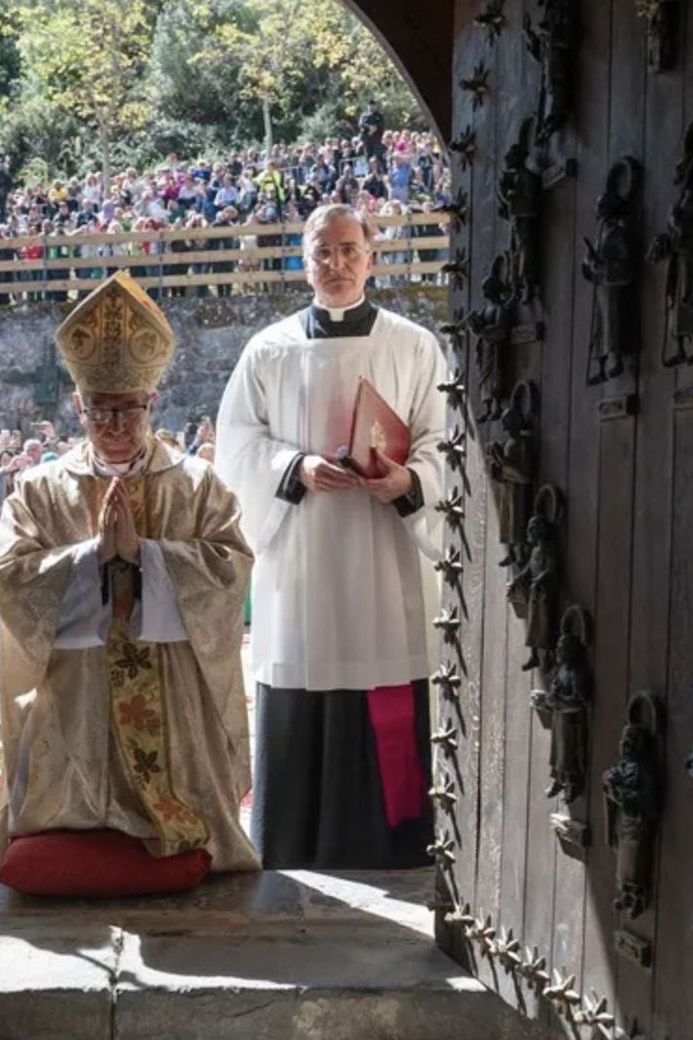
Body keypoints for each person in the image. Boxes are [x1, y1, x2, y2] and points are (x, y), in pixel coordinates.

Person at [0, 271, 260, 877]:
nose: (114, 427)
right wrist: (91, 561)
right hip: (74, 687)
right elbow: (5, 574)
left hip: (172, 682)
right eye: (99, 413)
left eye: (127, 411)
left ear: (151, 403)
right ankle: (77, 816)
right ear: (78, 406)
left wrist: (147, 558)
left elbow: (232, 567)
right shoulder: (41, 488)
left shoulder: (195, 484)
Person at [215, 202, 450, 869]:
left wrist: (409, 480)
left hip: (386, 558)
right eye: (322, 252)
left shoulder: (413, 345)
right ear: (303, 259)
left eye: (349, 250)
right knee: (301, 679)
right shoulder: (269, 348)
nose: (336, 265)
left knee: (389, 678)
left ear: (372, 257)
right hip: (302, 558)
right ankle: (294, 842)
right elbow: (236, 445)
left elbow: (445, 438)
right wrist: (294, 467)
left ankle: (396, 843)